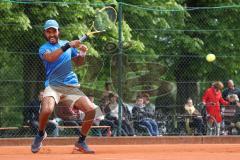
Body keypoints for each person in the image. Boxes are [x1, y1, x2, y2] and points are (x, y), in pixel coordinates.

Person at [31, 19, 96, 154]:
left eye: (53, 31)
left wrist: (82, 53)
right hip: (53, 86)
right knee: (47, 109)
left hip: (70, 86)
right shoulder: (44, 48)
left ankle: (81, 142)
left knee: (91, 110)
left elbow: (78, 62)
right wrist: (68, 45)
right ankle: (40, 134)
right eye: (48, 32)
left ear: (58, 31)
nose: (51, 34)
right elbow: (51, 58)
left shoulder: (67, 45)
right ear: (45, 33)